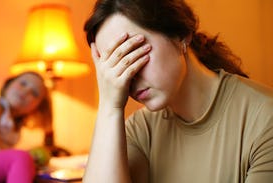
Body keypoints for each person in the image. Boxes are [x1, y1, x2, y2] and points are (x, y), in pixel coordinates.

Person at [82, 0, 273, 182]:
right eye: (115, 66)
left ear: (181, 34)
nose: (127, 76)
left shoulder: (264, 119)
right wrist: (109, 106)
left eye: (133, 53)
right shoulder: (141, 130)